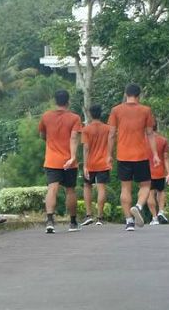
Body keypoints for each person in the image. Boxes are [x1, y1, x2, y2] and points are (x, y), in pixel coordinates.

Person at [108, 83, 160, 232]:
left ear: (126, 94)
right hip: (141, 155)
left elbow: (111, 134)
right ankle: (138, 206)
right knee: (146, 185)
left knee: (125, 188)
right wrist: (155, 154)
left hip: (123, 155)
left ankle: (129, 221)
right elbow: (150, 133)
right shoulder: (145, 110)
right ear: (139, 95)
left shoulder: (116, 110)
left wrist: (109, 155)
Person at [39, 90, 83, 233]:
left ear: (55, 101)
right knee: (70, 190)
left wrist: (51, 142)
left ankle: (50, 221)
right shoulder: (75, 118)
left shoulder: (46, 116)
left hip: (52, 160)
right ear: (68, 101)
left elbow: (42, 135)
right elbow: (74, 138)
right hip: (69, 161)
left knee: (52, 189)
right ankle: (73, 222)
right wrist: (73, 157)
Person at [80, 105, 111, 226]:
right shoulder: (107, 129)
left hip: (90, 163)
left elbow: (86, 148)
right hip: (103, 162)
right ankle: (100, 217)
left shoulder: (86, 129)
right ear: (100, 113)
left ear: (90, 114)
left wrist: (85, 165)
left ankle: (88, 215)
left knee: (87, 186)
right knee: (101, 188)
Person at [147, 121, 169, 225]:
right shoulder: (163, 140)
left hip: (146, 171)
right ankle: (161, 211)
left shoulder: (143, 140)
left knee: (150, 193)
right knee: (161, 191)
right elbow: (166, 158)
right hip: (160, 171)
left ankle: (154, 218)